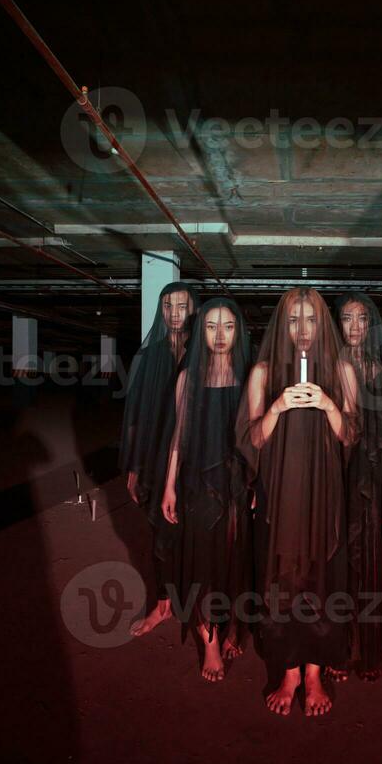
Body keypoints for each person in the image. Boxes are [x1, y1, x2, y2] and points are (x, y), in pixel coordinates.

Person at [237, 287, 360, 717]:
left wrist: (327, 404)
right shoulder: (264, 372)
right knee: (281, 579)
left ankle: (314, 671)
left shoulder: (341, 368)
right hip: (281, 492)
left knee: (322, 576)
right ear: (282, 326)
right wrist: (276, 407)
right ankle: (288, 670)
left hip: (325, 493)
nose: (303, 329)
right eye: (294, 320)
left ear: (322, 323)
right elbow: (251, 439)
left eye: (310, 319)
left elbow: (350, 435)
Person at [161, 298, 251, 681]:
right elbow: (178, 438)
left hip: (237, 486)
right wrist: (169, 487)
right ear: (201, 331)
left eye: (227, 326)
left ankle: (231, 624)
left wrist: (257, 485)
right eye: (211, 326)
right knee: (203, 563)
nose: (219, 334)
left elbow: (258, 439)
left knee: (235, 558)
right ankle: (209, 638)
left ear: (238, 332)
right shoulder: (188, 378)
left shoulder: (249, 376)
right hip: (198, 483)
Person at [328, 292, 382, 682]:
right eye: (347, 318)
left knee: (373, 561)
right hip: (342, 471)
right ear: (338, 323)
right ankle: (342, 647)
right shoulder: (334, 363)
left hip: (376, 478)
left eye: (361, 318)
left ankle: (369, 650)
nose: (355, 326)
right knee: (341, 562)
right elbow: (340, 426)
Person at [119, 280, 198, 636]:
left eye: (182, 306)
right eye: (168, 306)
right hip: (153, 457)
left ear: (194, 309)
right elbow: (135, 415)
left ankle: (203, 610)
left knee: (200, 535)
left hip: (197, 459)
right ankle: (164, 604)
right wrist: (135, 466)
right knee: (161, 534)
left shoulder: (208, 351)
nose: (175, 313)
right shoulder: (149, 355)